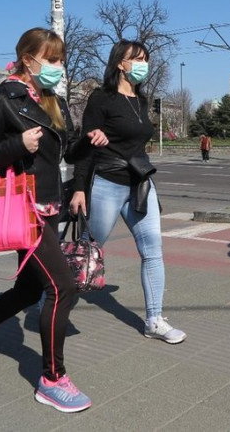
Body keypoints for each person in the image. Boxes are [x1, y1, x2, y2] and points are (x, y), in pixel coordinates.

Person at [0, 28, 108, 413]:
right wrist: (17, 145)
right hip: (24, 207)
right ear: (27, 58)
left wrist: (89, 139)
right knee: (63, 288)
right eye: (51, 60)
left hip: (51, 204)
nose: (57, 67)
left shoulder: (54, 100)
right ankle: (52, 380)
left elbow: (66, 148)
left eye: (60, 60)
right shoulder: (2, 99)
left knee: (28, 290)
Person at [71, 40, 187, 344]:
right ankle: (54, 302)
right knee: (88, 251)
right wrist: (80, 188)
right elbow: (85, 148)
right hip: (107, 183)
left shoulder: (141, 100)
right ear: (120, 63)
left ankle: (154, 320)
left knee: (153, 251)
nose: (143, 64)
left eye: (145, 59)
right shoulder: (101, 98)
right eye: (137, 59)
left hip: (140, 184)